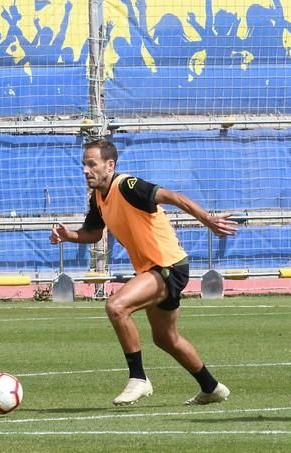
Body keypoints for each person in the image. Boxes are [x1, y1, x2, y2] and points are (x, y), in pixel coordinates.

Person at [50, 139, 237, 406]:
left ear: (109, 165)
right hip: (156, 268)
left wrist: (209, 220)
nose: (86, 170)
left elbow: (173, 197)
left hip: (167, 266)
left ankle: (138, 378)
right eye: (84, 165)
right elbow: (93, 233)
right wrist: (68, 235)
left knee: (117, 307)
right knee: (165, 338)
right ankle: (211, 387)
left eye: (92, 164)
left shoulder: (127, 186)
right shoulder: (98, 198)